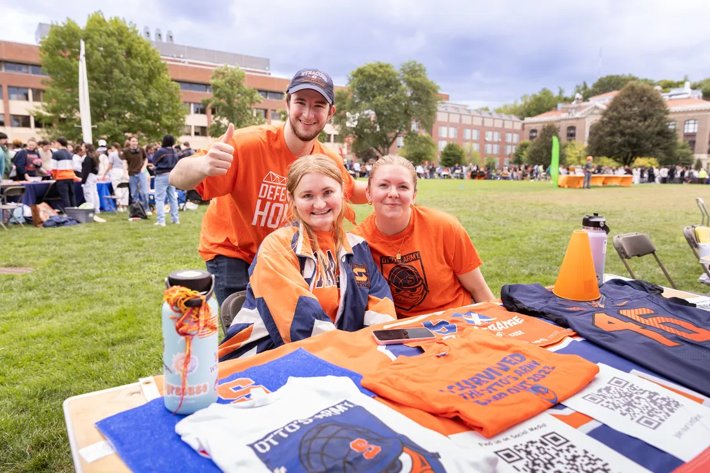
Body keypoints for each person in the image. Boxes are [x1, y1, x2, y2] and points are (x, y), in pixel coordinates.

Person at [170, 68, 366, 305]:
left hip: (283, 255)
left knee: (282, 328)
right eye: (300, 102)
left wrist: (392, 187)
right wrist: (203, 164)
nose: (307, 113)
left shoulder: (326, 160)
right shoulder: (247, 143)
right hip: (233, 252)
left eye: (318, 106)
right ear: (287, 103)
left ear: (330, 112)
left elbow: (352, 190)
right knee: (245, 331)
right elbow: (177, 176)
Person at [218, 154, 395, 360]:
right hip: (261, 359)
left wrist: (376, 349)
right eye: (308, 196)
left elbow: (381, 306)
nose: (319, 204)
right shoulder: (277, 247)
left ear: (342, 193)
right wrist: (356, 354)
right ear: (292, 200)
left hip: (341, 357)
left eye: (328, 192)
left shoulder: (358, 248)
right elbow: (301, 325)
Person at [353, 155, 495, 318]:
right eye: (384, 185)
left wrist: (499, 327)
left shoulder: (444, 227)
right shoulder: (358, 244)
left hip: (457, 321)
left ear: (414, 195)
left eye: (403, 187)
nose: (393, 193)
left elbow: (478, 289)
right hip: (404, 334)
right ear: (368, 193)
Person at [152, 134, 180, 226]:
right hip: (172, 175)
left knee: (160, 199)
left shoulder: (161, 151)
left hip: (161, 175)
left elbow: (154, 163)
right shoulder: (174, 151)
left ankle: (161, 221)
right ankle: (175, 219)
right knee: (172, 198)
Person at [122, 136, 151, 214]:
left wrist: (144, 168)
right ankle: (137, 210)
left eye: (136, 141)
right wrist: (125, 173)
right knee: (134, 193)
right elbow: (124, 162)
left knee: (144, 192)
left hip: (141, 173)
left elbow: (146, 159)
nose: (134, 143)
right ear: (130, 142)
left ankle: (146, 209)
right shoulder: (126, 151)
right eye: (133, 141)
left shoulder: (141, 150)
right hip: (131, 174)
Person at [50, 137, 77, 210]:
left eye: (55, 143)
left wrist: (54, 177)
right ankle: (75, 210)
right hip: (70, 176)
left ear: (58, 143)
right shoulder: (70, 154)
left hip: (61, 177)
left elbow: (54, 168)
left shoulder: (56, 154)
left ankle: (68, 211)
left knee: (65, 196)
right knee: (71, 195)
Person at [80, 144, 105, 222]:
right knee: (94, 193)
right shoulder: (95, 156)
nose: (82, 148)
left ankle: (90, 209)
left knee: (88, 193)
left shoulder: (88, 158)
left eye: (83, 147)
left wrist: (83, 181)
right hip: (94, 175)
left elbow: (86, 170)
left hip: (89, 176)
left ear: (87, 149)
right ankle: (96, 209)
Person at [103, 143, 129, 212]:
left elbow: (110, 165)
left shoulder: (112, 154)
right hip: (124, 171)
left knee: (117, 188)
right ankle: (125, 205)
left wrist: (104, 174)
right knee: (125, 189)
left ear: (113, 147)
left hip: (116, 171)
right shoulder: (123, 153)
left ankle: (119, 205)